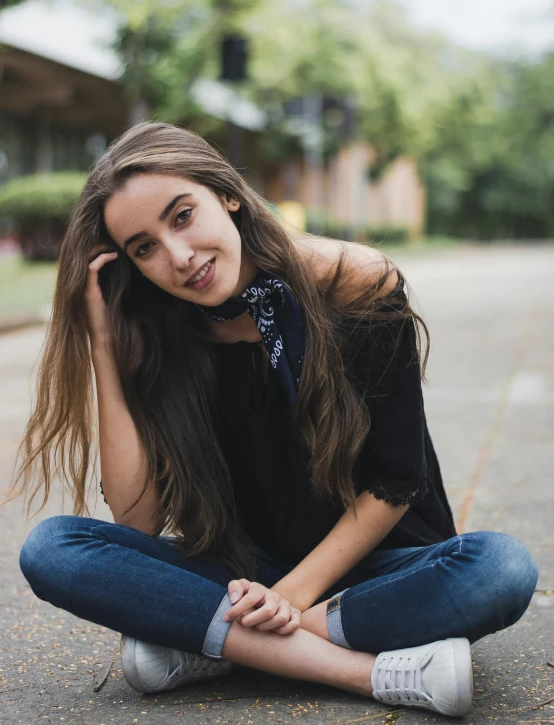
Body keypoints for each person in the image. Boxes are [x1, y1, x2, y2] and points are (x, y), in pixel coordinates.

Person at [5, 122, 538, 718]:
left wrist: (288, 600)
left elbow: (395, 482)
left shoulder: (356, 285)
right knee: (55, 547)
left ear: (227, 194)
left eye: (182, 216)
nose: (179, 258)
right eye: (144, 248)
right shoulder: (159, 330)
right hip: (243, 573)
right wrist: (104, 345)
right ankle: (368, 672)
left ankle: (217, 645)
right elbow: (138, 518)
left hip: (381, 572)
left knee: (501, 569)